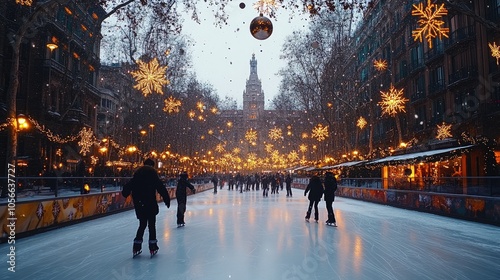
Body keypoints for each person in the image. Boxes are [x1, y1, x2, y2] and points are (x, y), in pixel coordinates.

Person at [122, 159, 170, 256]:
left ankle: (136, 246)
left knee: (142, 224)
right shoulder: (152, 174)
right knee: (151, 225)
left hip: (140, 204)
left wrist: (125, 193)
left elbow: (128, 186)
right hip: (150, 203)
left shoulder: (138, 174)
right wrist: (166, 199)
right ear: (152, 165)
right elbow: (160, 187)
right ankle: (152, 246)